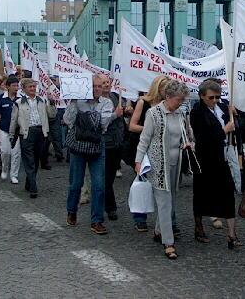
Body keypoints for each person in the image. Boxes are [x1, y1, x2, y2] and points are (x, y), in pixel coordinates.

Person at [135, 80, 193, 260]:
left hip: (176, 162)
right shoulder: (154, 114)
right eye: (178, 100)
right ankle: (169, 243)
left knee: (171, 198)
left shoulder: (181, 113)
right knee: (164, 201)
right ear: (168, 97)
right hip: (158, 163)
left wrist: (190, 143)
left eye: (183, 100)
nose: (180, 103)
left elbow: (189, 135)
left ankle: (159, 230)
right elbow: (144, 139)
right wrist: (138, 161)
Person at [190, 78, 240, 249]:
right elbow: (203, 138)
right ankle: (199, 227)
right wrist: (224, 130)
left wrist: (233, 115)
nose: (215, 101)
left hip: (222, 157)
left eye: (217, 97)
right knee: (201, 193)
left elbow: (234, 127)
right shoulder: (197, 112)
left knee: (228, 192)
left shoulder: (223, 108)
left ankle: (232, 234)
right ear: (202, 96)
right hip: (205, 159)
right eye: (211, 97)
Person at [63, 74, 114, 235]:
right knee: (75, 184)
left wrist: (85, 118)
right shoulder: (78, 102)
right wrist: (72, 103)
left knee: (99, 185)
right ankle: (72, 210)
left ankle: (97, 220)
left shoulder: (107, 102)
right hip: (78, 147)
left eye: (99, 86)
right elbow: (68, 121)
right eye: (94, 86)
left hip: (97, 148)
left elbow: (103, 124)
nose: (97, 89)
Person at [126, 75, 171, 232]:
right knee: (143, 181)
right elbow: (132, 126)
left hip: (161, 148)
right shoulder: (143, 102)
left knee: (162, 184)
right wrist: (150, 129)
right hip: (143, 147)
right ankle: (140, 217)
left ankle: (165, 219)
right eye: (164, 89)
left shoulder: (168, 105)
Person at [9, 78, 50, 198]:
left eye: (34, 87)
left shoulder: (42, 101)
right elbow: (14, 120)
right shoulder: (18, 103)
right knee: (29, 160)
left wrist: (52, 103)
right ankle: (33, 187)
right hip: (26, 133)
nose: (32, 89)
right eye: (30, 87)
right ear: (24, 89)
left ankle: (28, 182)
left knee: (36, 159)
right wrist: (12, 135)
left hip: (40, 132)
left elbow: (51, 115)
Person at [102, 77, 125, 221]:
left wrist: (126, 111)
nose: (106, 85)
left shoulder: (115, 96)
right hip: (105, 143)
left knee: (109, 178)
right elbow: (101, 120)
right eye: (102, 83)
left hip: (117, 142)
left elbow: (120, 117)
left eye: (107, 82)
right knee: (106, 179)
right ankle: (110, 208)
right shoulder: (96, 100)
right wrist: (115, 115)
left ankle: (106, 202)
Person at [0, 75, 20, 184]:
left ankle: (14, 175)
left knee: (16, 153)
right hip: (4, 128)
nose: (16, 87)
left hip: (17, 130)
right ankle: (4, 168)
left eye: (17, 85)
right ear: (8, 86)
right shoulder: (1, 98)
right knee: (5, 151)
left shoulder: (21, 98)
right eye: (14, 85)